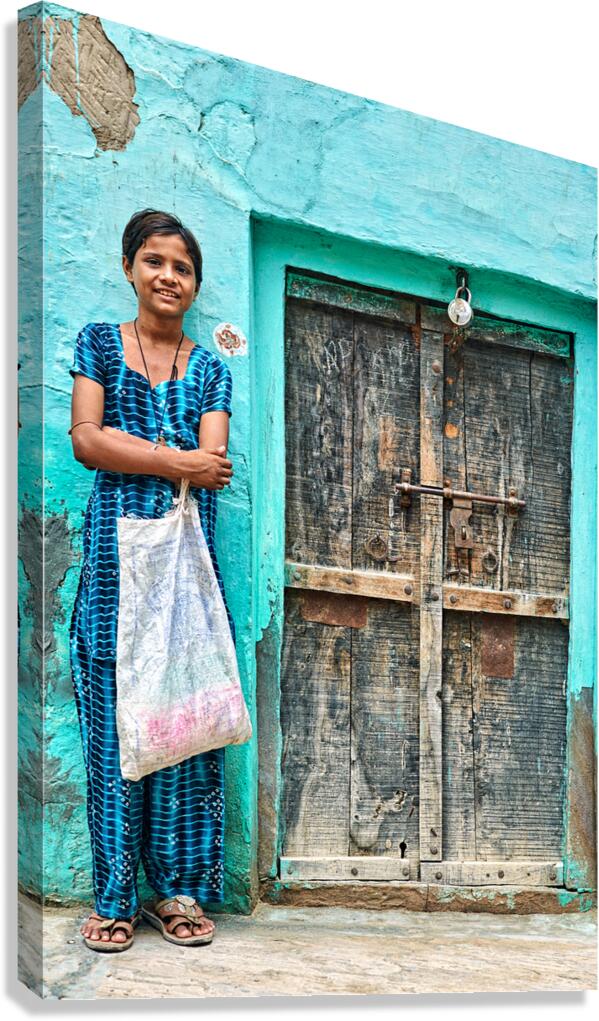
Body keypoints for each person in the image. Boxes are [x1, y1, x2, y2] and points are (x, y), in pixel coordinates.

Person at [68, 208, 235, 952]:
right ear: (130, 266)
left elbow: (218, 465)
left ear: (195, 285)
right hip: (113, 565)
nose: (169, 276)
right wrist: (175, 461)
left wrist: (140, 452)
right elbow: (85, 440)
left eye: (183, 267)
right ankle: (113, 895)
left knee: (184, 720)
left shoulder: (210, 368)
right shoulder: (99, 344)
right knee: (113, 724)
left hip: (183, 565)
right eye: (155, 261)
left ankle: (178, 890)